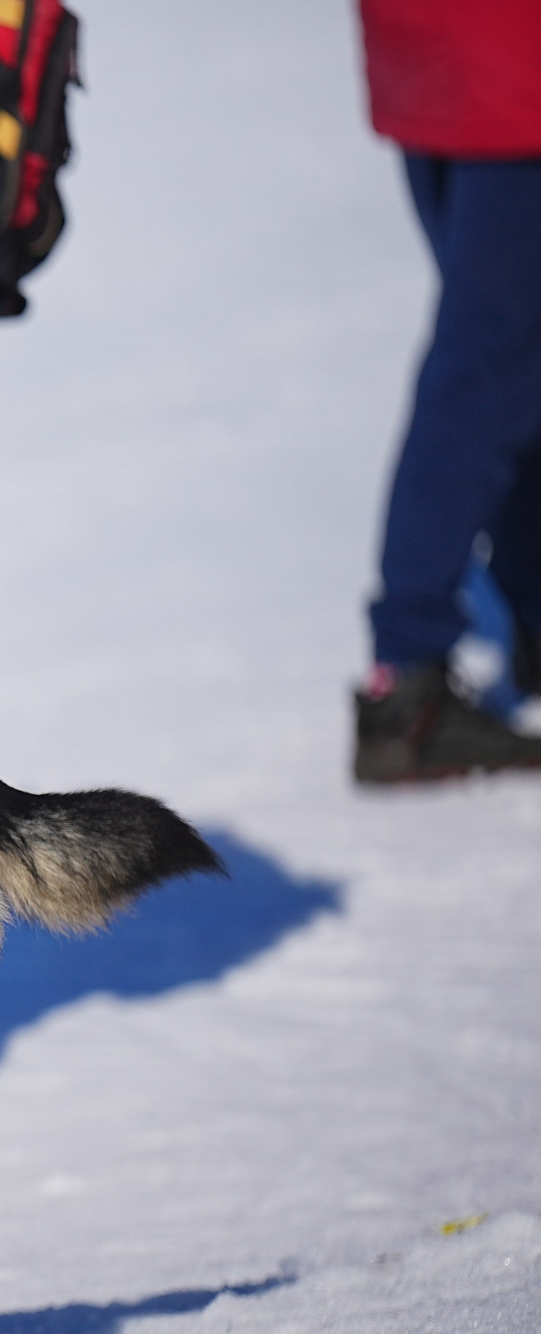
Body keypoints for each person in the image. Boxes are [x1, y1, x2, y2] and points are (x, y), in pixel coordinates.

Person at [349, 0, 541, 784]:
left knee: (512, 354)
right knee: (488, 366)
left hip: (432, 54)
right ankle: (410, 679)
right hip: (510, 67)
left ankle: (528, 611)